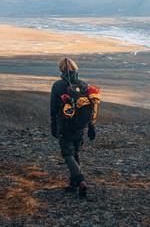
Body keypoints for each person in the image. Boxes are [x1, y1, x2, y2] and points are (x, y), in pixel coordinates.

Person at [50, 57, 97, 197]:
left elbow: (53, 109)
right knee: (75, 152)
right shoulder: (84, 85)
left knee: (67, 154)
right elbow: (90, 107)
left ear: (61, 70)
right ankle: (74, 184)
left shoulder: (58, 86)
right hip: (80, 126)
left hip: (65, 125)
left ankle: (81, 180)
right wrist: (91, 127)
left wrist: (53, 127)